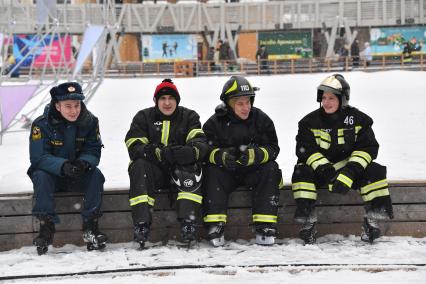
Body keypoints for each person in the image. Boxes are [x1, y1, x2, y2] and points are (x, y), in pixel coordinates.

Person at [291, 74, 394, 245]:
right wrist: (326, 170)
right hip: (320, 170)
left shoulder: (359, 120)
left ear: (343, 99)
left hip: (349, 169)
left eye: (331, 98)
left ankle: (372, 220)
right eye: (323, 97)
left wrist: (350, 172)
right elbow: (305, 151)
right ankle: (308, 221)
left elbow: (368, 148)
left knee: (374, 170)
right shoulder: (309, 122)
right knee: (301, 171)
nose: (326, 102)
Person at [125, 78, 208, 248]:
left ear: (177, 100)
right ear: (156, 101)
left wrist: (187, 152)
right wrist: (158, 153)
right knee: (139, 165)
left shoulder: (189, 116)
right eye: (163, 99)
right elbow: (134, 145)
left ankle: (188, 223)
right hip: (153, 172)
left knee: (191, 167)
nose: (167, 103)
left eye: (171, 98)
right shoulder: (143, 117)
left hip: (179, 172)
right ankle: (141, 225)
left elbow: (200, 142)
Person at [202, 75, 282, 247]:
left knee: (271, 168)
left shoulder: (261, 119)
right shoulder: (214, 123)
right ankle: (215, 225)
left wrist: (257, 155)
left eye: (248, 102)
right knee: (211, 171)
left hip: (254, 172)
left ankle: (265, 226)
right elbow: (203, 151)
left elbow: (273, 149)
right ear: (228, 104)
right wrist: (220, 157)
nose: (246, 107)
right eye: (240, 103)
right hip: (226, 174)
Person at [28, 82, 107, 255]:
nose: (73, 110)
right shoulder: (41, 124)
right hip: (52, 177)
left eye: (77, 105)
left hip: (77, 174)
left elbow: (93, 149)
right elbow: (38, 157)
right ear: (57, 105)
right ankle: (46, 227)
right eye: (68, 106)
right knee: (40, 175)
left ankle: (90, 226)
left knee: (96, 175)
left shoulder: (90, 121)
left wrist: (84, 163)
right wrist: (62, 166)